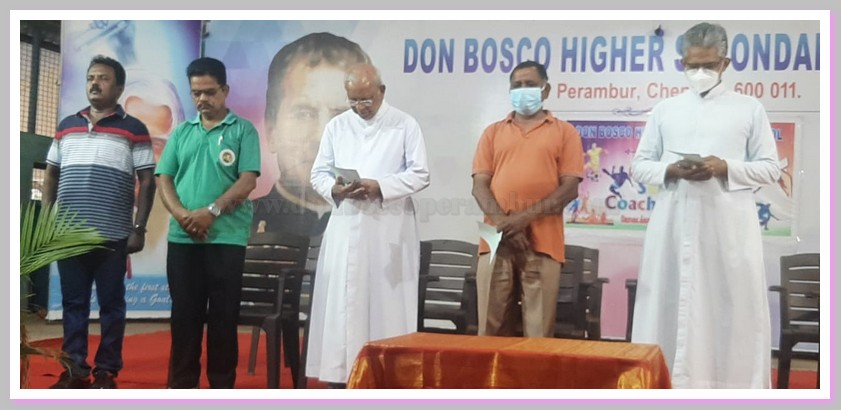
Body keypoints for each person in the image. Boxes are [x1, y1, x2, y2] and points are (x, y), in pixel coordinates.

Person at [630, 22, 780, 388]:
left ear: (725, 63)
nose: (700, 73)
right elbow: (639, 165)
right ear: (682, 63)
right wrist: (671, 169)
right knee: (668, 303)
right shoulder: (665, 109)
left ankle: (728, 388)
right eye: (692, 65)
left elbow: (770, 168)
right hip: (673, 224)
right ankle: (664, 385)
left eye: (708, 65)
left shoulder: (749, 109)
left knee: (729, 308)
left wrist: (724, 166)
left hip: (727, 229)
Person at [306, 63, 430, 386]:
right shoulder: (337, 126)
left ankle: (388, 377)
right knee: (343, 304)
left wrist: (381, 187)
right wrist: (335, 189)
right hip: (345, 225)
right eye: (354, 100)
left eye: (366, 100)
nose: (360, 107)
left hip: (388, 228)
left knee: (387, 305)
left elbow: (420, 174)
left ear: (381, 92)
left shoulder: (404, 124)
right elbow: (318, 173)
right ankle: (341, 377)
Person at [43, 55, 156, 389]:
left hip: (113, 235)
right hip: (68, 235)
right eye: (91, 77)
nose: (95, 83)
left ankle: (106, 371)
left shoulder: (134, 129)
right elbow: (51, 173)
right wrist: (48, 220)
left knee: (112, 306)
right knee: (73, 305)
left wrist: (138, 228)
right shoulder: (66, 125)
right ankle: (75, 370)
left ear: (119, 87)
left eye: (103, 78)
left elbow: (147, 182)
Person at [155, 57, 261, 389]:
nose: (202, 99)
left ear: (225, 90)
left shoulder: (243, 130)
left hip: (226, 239)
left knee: (223, 319)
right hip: (183, 238)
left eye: (210, 92)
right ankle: (182, 389)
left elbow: (247, 181)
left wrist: (211, 212)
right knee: (184, 318)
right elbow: (163, 178)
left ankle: (221, 388)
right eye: (196, 93)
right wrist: (181, 214)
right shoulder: (182, 132)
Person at [471, 60, 584, 338]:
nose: (523, 90)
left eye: (530, 84)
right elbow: (479, 187)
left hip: (543, 242)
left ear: (546, 90)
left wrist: (522, 220)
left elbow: (569, 188)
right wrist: (505, 226)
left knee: (538, 330)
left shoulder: (565, 132)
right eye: (517, 85)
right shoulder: (493, 132)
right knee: (490, 327)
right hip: (494, 240)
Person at [252, 32, 371, 237]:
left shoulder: (378, 225)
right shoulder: (243, 224)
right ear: (272, 130)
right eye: (304, 114)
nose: (321, 137)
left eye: (341, 116)